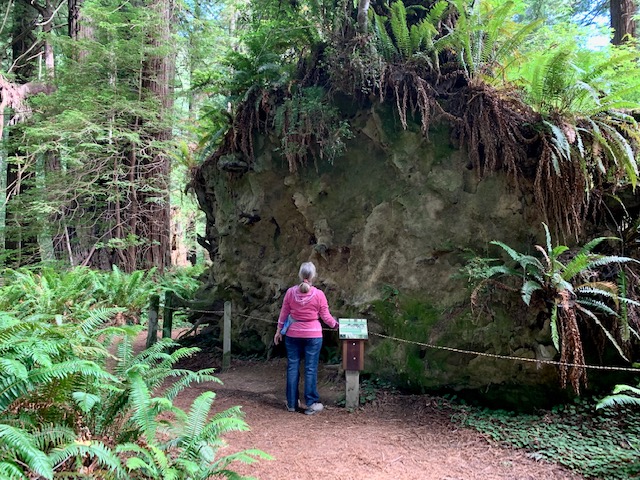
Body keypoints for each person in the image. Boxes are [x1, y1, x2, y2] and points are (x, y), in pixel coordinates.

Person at [274, 261, 338, 415]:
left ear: (300, 275)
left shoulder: (290, 293)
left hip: (293, 334)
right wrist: (336, 325)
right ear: (314, 276)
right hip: (313, 335)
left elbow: (284, 314)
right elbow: (326, 317)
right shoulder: (319, 294)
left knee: (292, 367)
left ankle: (291, 403)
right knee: (310, 368)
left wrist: (278, 331)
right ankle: (311, 403)